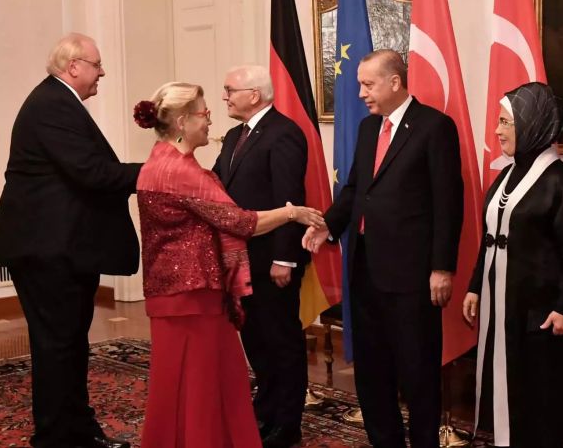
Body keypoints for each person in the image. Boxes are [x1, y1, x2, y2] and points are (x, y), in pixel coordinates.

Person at [132, 82, 324, 448]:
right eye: (204, 113)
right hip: (191, 293)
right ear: (184, 121)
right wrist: (291, 212)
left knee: (185, 382)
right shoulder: (180, 172)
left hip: (178, 292)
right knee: (203, 382)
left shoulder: (162, 159)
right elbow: (240, 222)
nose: (209, 119)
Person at [302, 49, 463, 448]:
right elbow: (355, 189)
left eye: (367, 84)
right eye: (359, 83)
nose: (360, 93)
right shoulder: (367, 129)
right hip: (365, 270)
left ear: (395, 82)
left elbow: (448, 202)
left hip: (412, 277)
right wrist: (329, 225)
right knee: (372, 372)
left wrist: (442, 267)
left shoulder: (434, 127)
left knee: (417, 371)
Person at [0, 33, 140, 448]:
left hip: (64, 247)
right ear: (73, 66)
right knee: (58, 347)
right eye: (97, 65)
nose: (103, 72)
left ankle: (77, 430)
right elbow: (92, 172)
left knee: (69, 344)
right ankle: (58, 437)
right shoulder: (52, 104)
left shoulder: (57, 101)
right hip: (47, 249)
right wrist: (158, 172)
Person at [462, 82, 563, 448]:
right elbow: (490, 237)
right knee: (508, 393)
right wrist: (474, 285)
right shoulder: (505, 175)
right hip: (504, 307)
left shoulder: (561, 183)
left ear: (532, 123)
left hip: (542, 316)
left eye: (505, 122)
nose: (497, 131)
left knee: (539, 402)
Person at [212, 65, 309, 448]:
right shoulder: (236, 135)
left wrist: (285, 259)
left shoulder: (284, 133)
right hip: (242, 258)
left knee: (281, 342)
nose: (225, 97)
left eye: (229, 89)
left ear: (254, 94)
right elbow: (218, 182)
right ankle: (266, 413)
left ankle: (288, 423)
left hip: (272, 260)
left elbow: (290, 200)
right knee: (255, 340)